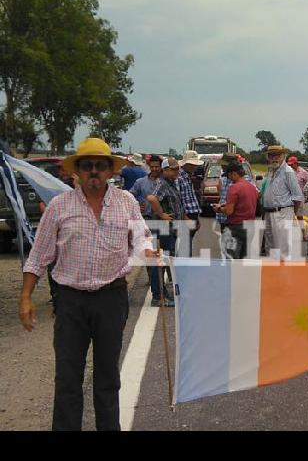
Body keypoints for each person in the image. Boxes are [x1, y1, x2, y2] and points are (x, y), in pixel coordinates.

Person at [19, 137, 157, 431]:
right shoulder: (59, 206)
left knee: (108, 378)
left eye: (100, 166)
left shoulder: (126, 202)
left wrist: (147, 250)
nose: (93, 171)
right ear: (76, 172)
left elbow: (142, 237)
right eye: (87, 166)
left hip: (112, 298)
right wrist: (26, 298)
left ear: (110, 171)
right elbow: (39, 256)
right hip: (71, 302)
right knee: (68, 378)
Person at [146, 157, 185, 306]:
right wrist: (162, 215)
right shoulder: (162, 183)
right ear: (165, 170)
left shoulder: (170, 183)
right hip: (164, 229)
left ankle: (162, 292)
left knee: (164, 261)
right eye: (173, 169)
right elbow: (151, 198)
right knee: (160, 262)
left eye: (177, 169)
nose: (177, 171)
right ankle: (158, 296)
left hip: (170, 229)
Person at [261, 144, 304, 260]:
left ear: (283, 156)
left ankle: (284, 274)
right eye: (271, 155)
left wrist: (290, 213)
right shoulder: (271, 171)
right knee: (270, 247)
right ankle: (272, 274)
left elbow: (297, 196)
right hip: (269, 213)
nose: (274, 158)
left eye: (277, 155)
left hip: (282, 212)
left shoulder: (288, 171)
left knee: (282, 249)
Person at [214, 162, 259, 259]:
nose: (228, 178)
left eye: (229, 175)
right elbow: (244, 202)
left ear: (234, 174)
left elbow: (229, 211)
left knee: (231, 258)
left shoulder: (234, 188)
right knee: (244, 258)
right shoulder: (252, 187)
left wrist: (219, 209)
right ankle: (242, 274)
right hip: (250, 226)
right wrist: (225, 205)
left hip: (236, 227)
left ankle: (232, 274)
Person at [178, 150, 204, 257]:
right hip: (186, 216)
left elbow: (191, 197)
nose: (194, 166)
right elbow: (178, 200)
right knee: (185, 245)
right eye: (192, 164)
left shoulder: (188, 177)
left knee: (187, 244)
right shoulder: (179, 178)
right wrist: (184, 217)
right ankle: (183, 270)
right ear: (186, 164)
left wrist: (197, 219)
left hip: (192, 214)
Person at [287, 156, 308, 241]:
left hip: (299, 199)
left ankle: (304, 235)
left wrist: (307, 195)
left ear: (296, 164)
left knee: (299, 217)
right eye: (289, 165)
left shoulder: (303, 172)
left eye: (292, 164)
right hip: (288, 198)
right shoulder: (288, 172)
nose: (290, 166)